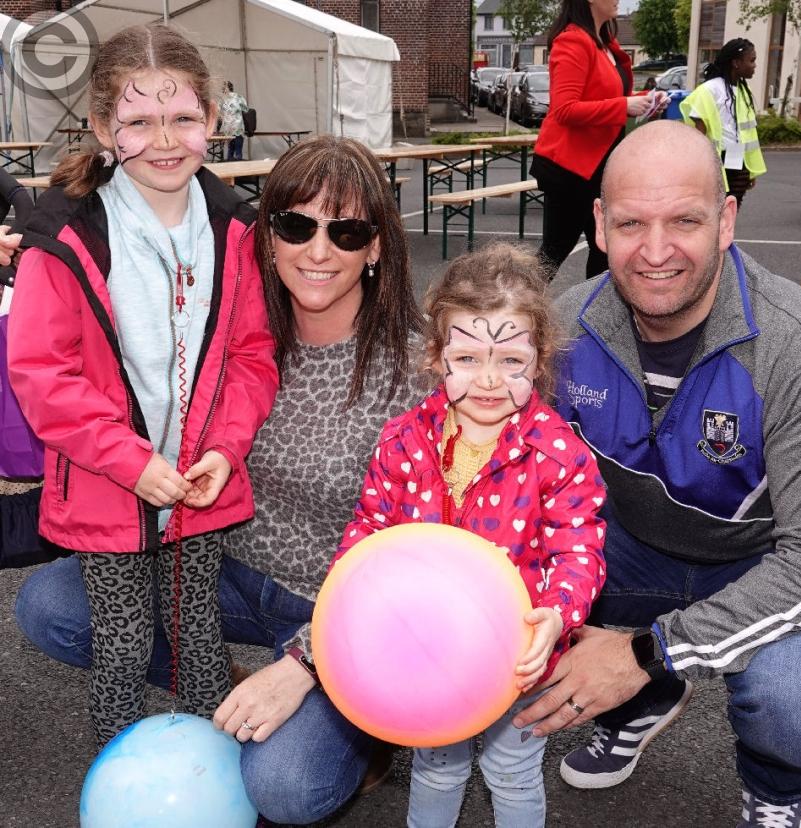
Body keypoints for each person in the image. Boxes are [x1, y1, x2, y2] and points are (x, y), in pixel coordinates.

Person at [14, 135, 425, 824]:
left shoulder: (419, 372)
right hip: (225, 576)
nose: (318, 250)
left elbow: (419, 565)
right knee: (52, 604)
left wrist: (307, 663)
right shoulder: (223, 333)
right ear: (265, 238)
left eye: (347, 231)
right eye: (295, 225)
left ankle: (360, 721)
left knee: (284, 787)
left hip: (339, 612)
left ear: (376, 246)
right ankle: (229, 684)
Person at [513, 120, 801, 827]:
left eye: (683, 221)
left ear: (725, 221)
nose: (655, 251)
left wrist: (648, 650)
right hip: (630, 551)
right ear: (600, 225)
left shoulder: (794, 342)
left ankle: (777, 788)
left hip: (762, 561)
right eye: (631, 223)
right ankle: (644, 701)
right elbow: (521, 487)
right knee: (512, 596)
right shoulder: (563, 329)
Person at [6, 24, 278, 747]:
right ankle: (116, 776)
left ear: (212, 119)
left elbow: (253, 355)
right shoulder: (63, 236)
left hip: (199, 484)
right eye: (139, 121)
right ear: (104, 127)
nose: (164, 140)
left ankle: (214, 774)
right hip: (109, 487)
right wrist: (130, 462)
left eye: (183, 117)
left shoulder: (237, 230)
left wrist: (225, 448)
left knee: (197, 639)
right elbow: (42, 373)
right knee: (123, 650)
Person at [328, 242, 607, 828]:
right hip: (427, 651)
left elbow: (578, 548)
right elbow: (370, 530)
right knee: (436, 768)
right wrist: (350, 603)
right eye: (468, 357)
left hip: (519, 659)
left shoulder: (559, 455)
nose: (488, 379)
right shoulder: (403, 441)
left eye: (510, 360)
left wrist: (558, 614)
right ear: (436, 356)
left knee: (512, 771)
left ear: (540, 359)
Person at [530, 0, 657, 280]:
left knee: (605, 252)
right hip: (570, 170)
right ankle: (513, 304)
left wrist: (644, 101)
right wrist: (624, 106)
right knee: (554, 253)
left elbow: (607, 98)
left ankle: (595, 308)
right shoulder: (573, 41)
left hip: (601, 167)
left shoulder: (605, 43)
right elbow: (565, 109)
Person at [680, 38, 766, 209]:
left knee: (732, 204)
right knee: (716, 207)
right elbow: (699, 128)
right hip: (716, 158)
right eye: (751, 60)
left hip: (737, 154)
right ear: (736, 63)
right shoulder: (711, 89)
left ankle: (727, 228)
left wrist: (748, 170)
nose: (755, 65)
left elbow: (743, 131)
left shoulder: (742, 90)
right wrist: (699, 165)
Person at [219, 80, 249, 161]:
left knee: (230, 150)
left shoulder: (222, 99)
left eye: (223, 88)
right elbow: (246, 109)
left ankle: (230, 163)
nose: (222, 89)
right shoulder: (239, 97)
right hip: (237, 126)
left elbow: (218, 112)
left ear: (226, 88)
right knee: (238, 150)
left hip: (228, 128)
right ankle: (238, 165)